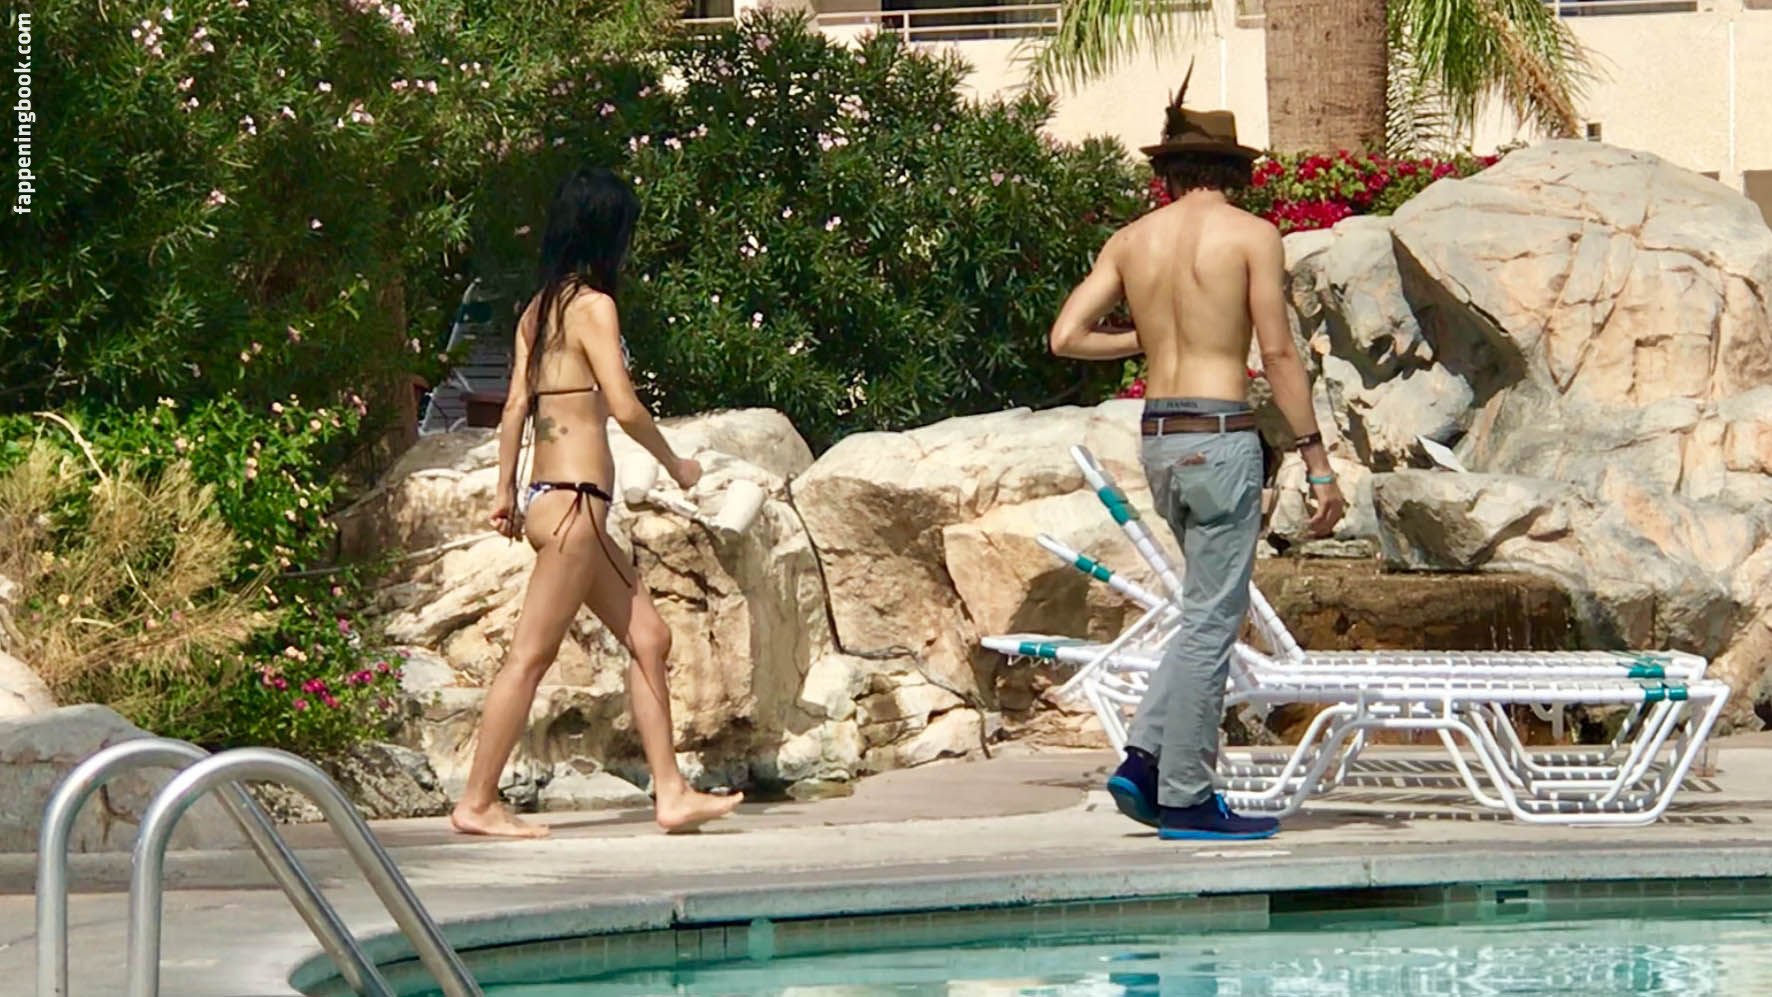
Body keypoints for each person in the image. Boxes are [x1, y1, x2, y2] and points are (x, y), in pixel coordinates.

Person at [1047, 69, 1345, 841]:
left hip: (1158, 437)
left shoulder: (1131, 241)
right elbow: (1277, 353)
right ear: (1235, 170)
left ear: (1170, 171)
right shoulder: (1251, 236)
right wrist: (1315, 457)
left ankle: (1145, 761)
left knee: (1204, 608)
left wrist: (1146, 338)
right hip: (1219, 435)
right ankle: (1186, 795)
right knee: (1215, 619)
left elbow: (1066, 336)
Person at [449, 166, 744, 838]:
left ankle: (671, 792)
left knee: (650, 636)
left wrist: (505, 491)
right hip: (577, 508)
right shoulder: (593, 307)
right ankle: (477, 801)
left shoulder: (538, 309)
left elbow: (516, 407)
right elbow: (625, 406)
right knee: (530, 656)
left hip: (550, 503)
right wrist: (677, 463)